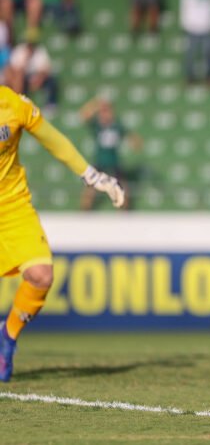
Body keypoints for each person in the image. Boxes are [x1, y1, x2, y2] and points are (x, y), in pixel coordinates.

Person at [0, 86, 125, 382]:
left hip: (12, 207)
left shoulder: (13, 104)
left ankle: (7, 337)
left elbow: (51, 139)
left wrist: (91, 175)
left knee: (41, 275)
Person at [78, 96, 141, 210]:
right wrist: (96, 104)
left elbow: (133, 138)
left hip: (114, 161)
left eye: (107, 110)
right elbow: (83, 115)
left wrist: (134, 142)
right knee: (90, 187)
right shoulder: (97, 125)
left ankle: (125, 212)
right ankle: (84, 213)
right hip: (100, 160)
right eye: (103, 111)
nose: (105, 113)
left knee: (122, 188)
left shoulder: (117, 125)